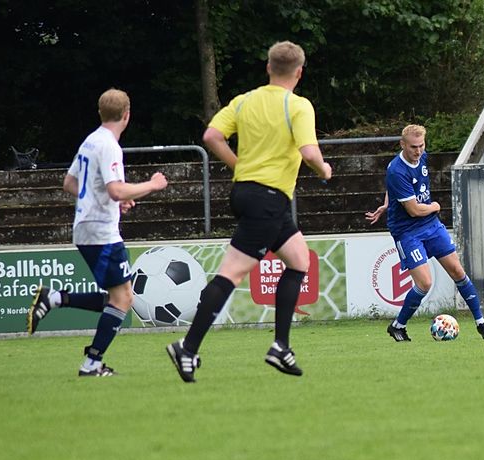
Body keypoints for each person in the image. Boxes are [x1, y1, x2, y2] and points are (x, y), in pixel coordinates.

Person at [166, 41, 332, 383]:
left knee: (299, 260)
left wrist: (239, 165)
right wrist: (324, 170)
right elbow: (309, 152)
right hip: (267, 199)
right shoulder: (297, 105)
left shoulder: (244, 101)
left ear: (268, 67)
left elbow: (212, 135)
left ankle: (281, 346)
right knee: (232, 273)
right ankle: (187, 347)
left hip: (248, 194)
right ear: (299, 72)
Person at [27, 88, 169, 376]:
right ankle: (91, 363)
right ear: (127, 115)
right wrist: (152, 185)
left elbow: (70, 183)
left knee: (119, 297)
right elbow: (115, 190)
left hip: (86, 226)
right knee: (122, 299)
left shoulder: (91, 141)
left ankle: (56, 299)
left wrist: (112, 199)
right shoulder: (109, 146)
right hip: (101, 231)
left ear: (100, 112)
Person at [365, 125, 484, 341]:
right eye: (413, 147)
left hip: (431, 225)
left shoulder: (421, 157)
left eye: (421, 146)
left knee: (457, 271)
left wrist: (387, 203)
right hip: (407, 231)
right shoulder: (397, 170)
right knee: (424, 283)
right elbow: (414, 210)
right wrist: (435, 206)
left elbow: (392, 188)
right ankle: (398, 326)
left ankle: (481, 324)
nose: (418, 151)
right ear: (402, 144)